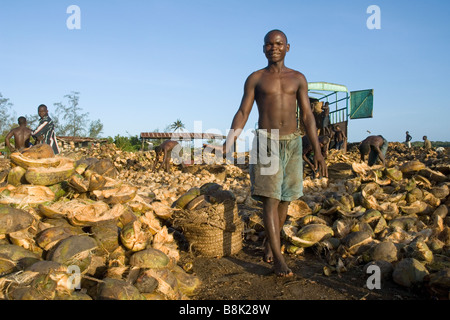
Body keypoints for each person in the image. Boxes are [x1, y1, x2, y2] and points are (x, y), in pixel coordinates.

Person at [205, 30, 327, 277]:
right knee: (270, 198)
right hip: (266, 141)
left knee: (285, 198)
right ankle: (278, 256)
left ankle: (271, 243)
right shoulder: (256, 78)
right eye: (269, 44)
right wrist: (229, 144)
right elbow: (243, 112)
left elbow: (307, 116)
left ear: (288, 47)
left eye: (279, 44)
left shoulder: (298, 78)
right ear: (263, 49)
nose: (274, 48)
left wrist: (318, 151)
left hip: (292, 142)